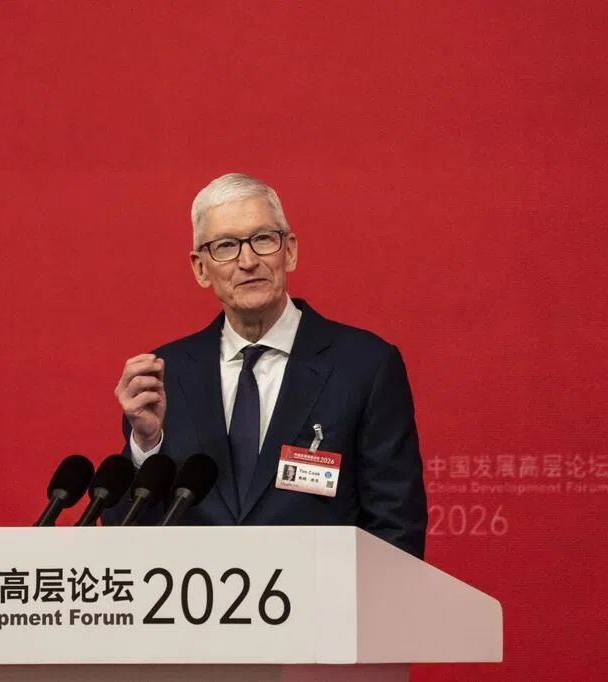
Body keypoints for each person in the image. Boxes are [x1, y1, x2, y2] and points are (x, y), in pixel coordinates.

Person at [107, 173, 427, 557]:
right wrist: (145, 446)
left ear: (289, 251)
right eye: (226, 246)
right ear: (200, 268)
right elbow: (123, 539)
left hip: (322, 593)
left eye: (262, 239)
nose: (248, 261)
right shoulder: (164, 376)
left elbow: (396, 531)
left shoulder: (364, 366)